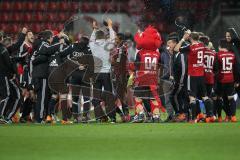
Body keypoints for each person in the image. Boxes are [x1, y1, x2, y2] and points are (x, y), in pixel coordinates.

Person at [174, 31, 215, 123]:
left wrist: (184, 38)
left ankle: (193, 119)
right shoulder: (202, 45)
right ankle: (211, 115)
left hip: (192, 76)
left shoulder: (190, 47)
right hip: (201, 76)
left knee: (192, 98)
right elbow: (207, 45)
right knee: (205, 97)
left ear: (190, 38)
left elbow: (176, 49)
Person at [132, 25, 165, 122]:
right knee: (153, 98)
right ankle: (156, 117)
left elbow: (136, 66)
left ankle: (141, 114)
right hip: (153, 79)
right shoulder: (157, 54)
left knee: (138, 97)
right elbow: (160, 66)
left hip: (142, 78)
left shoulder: (140, 53)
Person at [32, 30, 64, 123]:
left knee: (44, 97)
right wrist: (59, 43)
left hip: (41, 74)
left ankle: (43, 116)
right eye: (52, 37)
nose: (52, 39)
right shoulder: (43, 44)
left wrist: (57, 37)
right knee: (41, 98)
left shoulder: (42, 44)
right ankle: (40, 118)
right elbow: (47, 50)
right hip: (41, 75)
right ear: (49, 38)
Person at [89, 19, 116, 123]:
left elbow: (91, 39)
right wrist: (110, 26)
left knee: (95, 97)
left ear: (96, 37)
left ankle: (100, 117)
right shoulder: (107, 45)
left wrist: (94, 29)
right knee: (109, 96)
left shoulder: (92, 45)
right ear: (104, 37)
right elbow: (113, 38)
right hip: (105, 74)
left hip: (96, 74)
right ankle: (112, 118)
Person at [216, 39, 239, 122]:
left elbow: (216, 69)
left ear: (220, 46)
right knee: (231, 98)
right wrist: (237, 81)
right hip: (230, 79)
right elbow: (236, 69)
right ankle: (233, 117)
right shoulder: (232, 55)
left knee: (221, 98)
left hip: (221, 80)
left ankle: (224, 116)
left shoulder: (218, 55)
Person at [168, 33, 188, 122]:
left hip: (181, 81)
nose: (168, 45)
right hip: (179, 80)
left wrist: (180, 81)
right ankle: (182, 114)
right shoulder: (174, 55)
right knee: (180, 97)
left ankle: (180, 113)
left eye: (169, 43)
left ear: (175, 43)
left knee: (172, 96)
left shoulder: (181, 54)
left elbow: (183, 69)